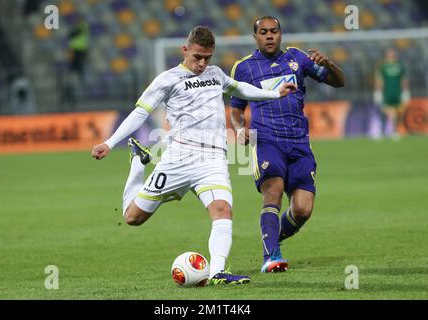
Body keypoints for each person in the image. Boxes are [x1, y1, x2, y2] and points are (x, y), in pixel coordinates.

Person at [91, 26, 297, 284]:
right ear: (185, 50)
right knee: (133, 218)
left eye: (207, 58)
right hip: (179, 158)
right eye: (197, 57)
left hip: (213, 159)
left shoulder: (216, 74)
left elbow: (240, 88)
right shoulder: (167, 79)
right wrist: (109, 143)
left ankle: (218, 272)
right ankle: (137, 161)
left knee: (222, 210)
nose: (202, 63)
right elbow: (140, 112)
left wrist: (274, 93)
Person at [229, 16, 345, 273]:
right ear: (255, 37)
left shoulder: (297, 58)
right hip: (267, 140)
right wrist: (239, 129)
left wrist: (329, 64)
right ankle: (271, 256)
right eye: (263, 32)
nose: (269, 36)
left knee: (302, 210)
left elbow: (338, 82)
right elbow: (236, 110)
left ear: (281, 34)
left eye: (274, 31)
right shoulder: (243, 68)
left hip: (299, 142)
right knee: (273, 192)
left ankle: (271, 238)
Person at [373, 47, 410, 139]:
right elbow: (379, 80)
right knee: (385, 111)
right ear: (386, 55)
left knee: (398, 112)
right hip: (387, 92)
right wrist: (378, 92)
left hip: (397, 92)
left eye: (392, 53)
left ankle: (395, 131)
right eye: (389, 53)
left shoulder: (400, 65)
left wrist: (406, 91)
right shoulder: (383, 66)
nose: (391, 55)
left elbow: (403, 79)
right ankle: (382, 131)